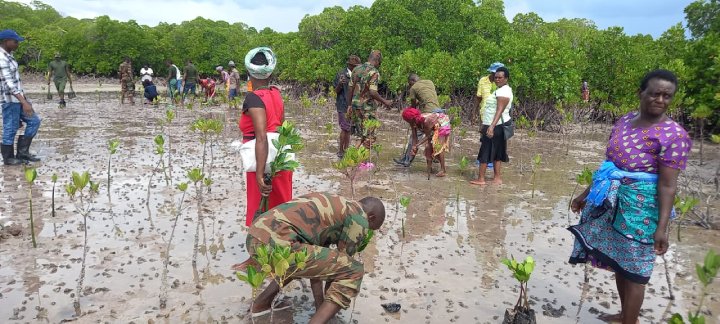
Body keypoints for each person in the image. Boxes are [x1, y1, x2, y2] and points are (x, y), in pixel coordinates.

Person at [568, 70, 691, 324]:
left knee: (635, 271)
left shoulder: (673, 135)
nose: (660, 99)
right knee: (620, 263)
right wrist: (585, 195)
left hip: (643, 209)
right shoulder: (624, 121)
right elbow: (609, 166)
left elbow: (668, 186)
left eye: (667, 96)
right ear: (641, 93)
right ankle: (626, 316)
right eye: (654, 93)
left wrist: (662, 227)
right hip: (613, 201)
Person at [237, 192, 386, 323]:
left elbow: (318, 267)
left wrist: (319, 306)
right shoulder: (359, 217)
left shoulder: (335, 203)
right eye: (371, 227)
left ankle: (261, 303)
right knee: (354, 270)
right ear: (371, 217)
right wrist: (329, 313)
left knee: (302, 260)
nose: (367, 230)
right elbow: (339, 272)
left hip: (255, 237)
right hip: (277, 244)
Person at [239, 47, 293, 226]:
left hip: (261, 159)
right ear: (270, 72)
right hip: (280, 157)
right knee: (282, 210)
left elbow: (261, 137)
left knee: (261, 212)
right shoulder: (277, 93)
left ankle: (260, 250)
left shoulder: (253, 98)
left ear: (249, 71)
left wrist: (260, 175)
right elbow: (281, 128)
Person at [0, 29, 42, 165]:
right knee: (10, 129)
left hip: (18, 99)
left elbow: (17, 82)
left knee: (34, 121)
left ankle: (22, 153)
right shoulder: (1, 58)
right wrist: (24, 102)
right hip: (10, 100)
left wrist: (25, 100)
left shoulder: (9, 55)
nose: (18, 44)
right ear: (6, 42)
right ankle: (8, 158)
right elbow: (9, 84)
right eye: (15, 41)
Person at [470, 66, 513, 185]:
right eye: (496, 77)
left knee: (485, 150)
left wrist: (491, 127)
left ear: (506, 79)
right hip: (497, 125)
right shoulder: (501, 90)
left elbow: (500, 110)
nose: (497, 79)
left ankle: (481, 179)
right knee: (498, 151)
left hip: (495, 125)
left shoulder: (503, 92)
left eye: (500, 77)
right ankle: (497, 178)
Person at [345, 50, 393, 147]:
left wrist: (349, 105)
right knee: (369, 138)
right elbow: (373, 92)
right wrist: (385, 102)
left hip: (355, 107)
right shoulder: (374, 72)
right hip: (367, 108)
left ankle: (352, 159)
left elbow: (350, 88)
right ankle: (364, 162)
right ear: (378, 61)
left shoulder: (356, 69)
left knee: (359, 136)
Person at [394, 74, 440, 166]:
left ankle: (407, 160)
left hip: (427, 114)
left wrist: (410, 115)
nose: (410, 86)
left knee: (414, 137)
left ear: (411, 81)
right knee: (433, 137)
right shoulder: (429, 82)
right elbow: (428, 97)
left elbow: (413, 108)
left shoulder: (413, 88)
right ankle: (436, 159)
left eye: (409, 84)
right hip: (439, 113)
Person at [401, 107, 451, 177]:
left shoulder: (427, 121)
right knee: (428, 148)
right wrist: (414, 147)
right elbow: (414, 137)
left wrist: (417, 145)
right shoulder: (412, 122)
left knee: (438, 146)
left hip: (442, 123)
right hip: (433, 126)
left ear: (410, 119)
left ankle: (443, 170)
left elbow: (428, 137)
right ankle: (429, 168)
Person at [333, 54, 361, 158]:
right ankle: (341, 151)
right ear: (350, 65)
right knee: (344, 128)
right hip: (343, 104)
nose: (357, 68)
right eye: (355, 66)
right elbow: (336, 91)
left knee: (348, 129)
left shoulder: (357, 75)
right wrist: (340, 83)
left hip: (353, 105)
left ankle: (346, 150)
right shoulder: (341, 74)